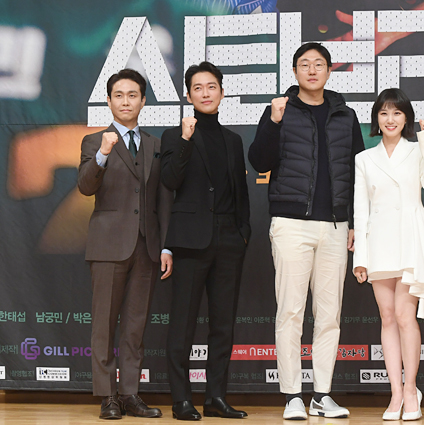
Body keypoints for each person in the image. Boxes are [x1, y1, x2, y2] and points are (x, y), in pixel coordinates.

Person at [248, 42, 364, 420]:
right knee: (291, 312)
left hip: (335, 226)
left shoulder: (345, 114)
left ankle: (322, 394)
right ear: (295, 71)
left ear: (329, 70)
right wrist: (273, 121)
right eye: (304, 64)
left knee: (329, 315)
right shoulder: (281, 109)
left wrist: (354, 223)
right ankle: (292, 396)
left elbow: (357, 173)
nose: (312, 70)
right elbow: (259, 161)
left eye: (318, 64)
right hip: (291, 224)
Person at [352, 88, 424, 421]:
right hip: (378, 241)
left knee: (404, 315)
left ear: (406, 117)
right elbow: (361, 211)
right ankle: (395, 392)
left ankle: (411, 389)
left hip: (411, 238)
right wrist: (360, 258)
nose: (390, 119)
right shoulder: (364, 159)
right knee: (387, 316)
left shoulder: (416, 147)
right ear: (376, 119)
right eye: (384, 113)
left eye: (396, 112)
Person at [78, 69, 172, 420]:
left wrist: (165, 247)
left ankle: (130, 393)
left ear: (143, 101)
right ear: (108, 101)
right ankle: (107, 396)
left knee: (135, 326)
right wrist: (102, 154)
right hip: (107, 247)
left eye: (133, 95)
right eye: (119, 95)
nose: (126, 101)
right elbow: (85, 186)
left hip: (146, 248)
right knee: (104, 324)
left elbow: (163, 201)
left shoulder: (155, 145)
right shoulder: (94, 141)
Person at [160, 62, 251, 420]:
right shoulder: (174, 136)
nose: (205, 93)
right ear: (188, 95)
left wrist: (243, 232)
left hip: (229, 240)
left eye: (211, 87)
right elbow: (170, 181)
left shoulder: (233, 140)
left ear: (222, 92)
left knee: (223, 324)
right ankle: (181, 399)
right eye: (197, 88)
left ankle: (215, 397)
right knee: (183, 323)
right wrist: (185, 140)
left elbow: (241, 192)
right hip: (190, 241)